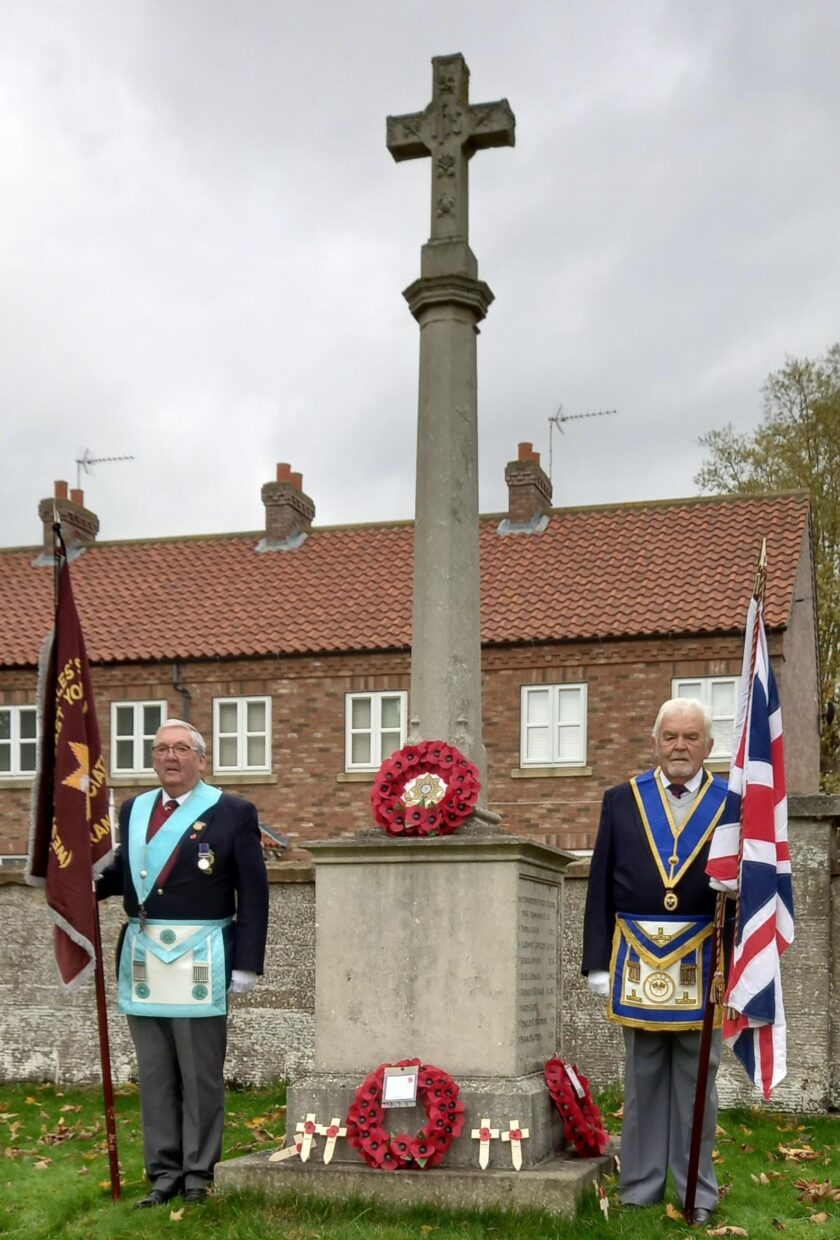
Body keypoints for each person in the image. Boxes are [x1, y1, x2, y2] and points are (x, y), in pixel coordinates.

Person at [98, 719, 269, 1208]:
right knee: (154, 1072)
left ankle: (199, 1172)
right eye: (161, 750)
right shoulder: (134, 810)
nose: (170, 757)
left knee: (199, 1074)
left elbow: (253, 893)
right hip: (143, 955)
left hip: (202, 957)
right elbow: (127, 875)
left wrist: (247, 963)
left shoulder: (232, 811)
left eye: (180, 749)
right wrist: (81, 882)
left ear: (200, 757)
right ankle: (163, 1171)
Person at [582, 698, 728, 1226]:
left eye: (692, 737)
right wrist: (597, 961)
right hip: (636, 961)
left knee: (697, 1084)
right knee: (642, 1080)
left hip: (704, 961)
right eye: (671, 737)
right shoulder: (622, 800)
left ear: (709, 746)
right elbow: (599, 882)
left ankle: (697, 1194)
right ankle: (639, 1189)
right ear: (656, 743)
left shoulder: (733, 803)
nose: (681, 747)